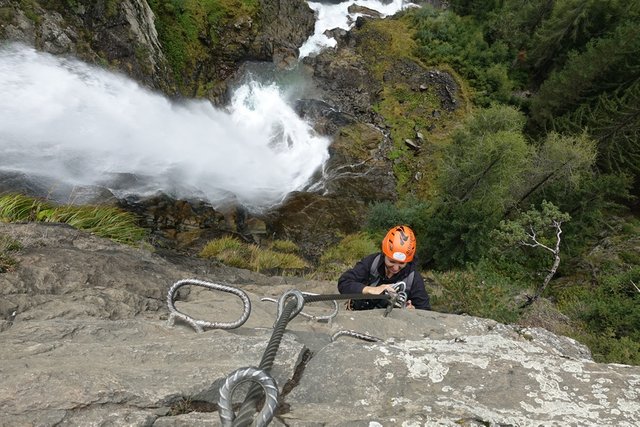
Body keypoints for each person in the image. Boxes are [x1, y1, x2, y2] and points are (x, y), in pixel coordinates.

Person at [338, 225, 431, 310]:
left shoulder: (413, 279)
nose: (395, 268)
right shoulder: (372, 262)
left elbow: (425, 309)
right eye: (392, 261)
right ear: (384, 254)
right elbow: (344, 282)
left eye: (402, 263)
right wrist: (371, 290)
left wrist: (413, 309)